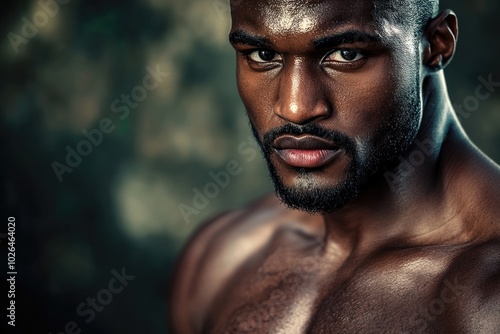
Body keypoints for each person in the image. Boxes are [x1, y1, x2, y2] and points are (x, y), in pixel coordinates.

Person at [170, 0, 500, 332]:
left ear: (437, 44)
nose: (295, 108)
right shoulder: (222, 257)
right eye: (264, 56)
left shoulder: (487, 295)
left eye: (346, 54)